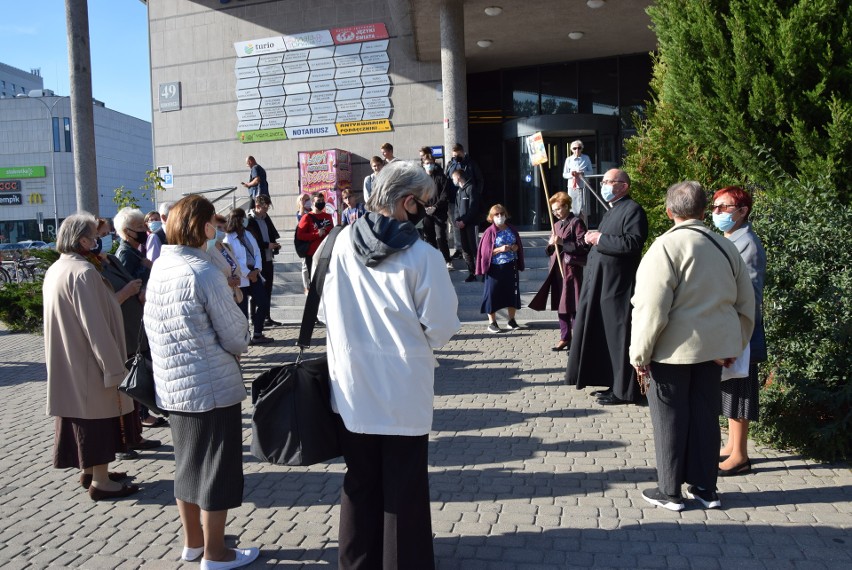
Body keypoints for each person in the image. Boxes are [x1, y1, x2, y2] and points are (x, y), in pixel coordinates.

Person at [316, 160, 460, 569]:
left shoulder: (337, 244)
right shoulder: (423, 256)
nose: (427, 212)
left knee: (359, 482)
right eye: (425, 204)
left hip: (351, 387)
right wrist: (411, 342)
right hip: (403, 388)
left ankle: (357, 562)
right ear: (408, 202)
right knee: (404, 485)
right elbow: (443, 325)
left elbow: (326, 312)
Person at [144, 195, 259, 568]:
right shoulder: (204, 273)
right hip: (209, 387)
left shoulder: (161, 268)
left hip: (173, 387)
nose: (219, 230)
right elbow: (237, 337)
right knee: (216, 472)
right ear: (205, 227)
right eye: (215, 223)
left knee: (188, 467)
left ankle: (193, 544)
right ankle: (216, 553)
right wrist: (233, 298)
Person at [630, 181, 754, 511]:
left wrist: (639, 354)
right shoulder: (726, 246)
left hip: (671, 352)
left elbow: (650, 307)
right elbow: (746, 303)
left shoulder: (664, 247)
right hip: (714, 351)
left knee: (669, 419)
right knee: (704, 418)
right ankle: (705, 488)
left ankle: (669, 491)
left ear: (669, 211)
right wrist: (734, 345)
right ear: (703, 211)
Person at [43, 212, 140, 501]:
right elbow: (95, 325)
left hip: (72, 360)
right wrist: (113, 368)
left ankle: (92, 472)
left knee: (84, 420)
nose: (99, 239)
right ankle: (101, 481)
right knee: (97, 421)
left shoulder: (59, 269)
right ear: (82, 240)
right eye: (94, 235)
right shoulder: (83, 273)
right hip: (89, 363)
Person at [565, 168, 648, 405]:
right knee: (605, 336)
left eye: (608, 182)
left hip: (618, 286)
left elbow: (632, 243)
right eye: (603, 182)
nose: (604, 185)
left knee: (619, 337)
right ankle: (613, 383)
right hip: (602, 284)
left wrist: (599, 239)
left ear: (623, 185)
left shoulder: (633, 210)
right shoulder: (613, 210)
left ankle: (624, 390)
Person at [714, 186, 766, 477]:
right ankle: (732, 445)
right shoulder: (731, 238)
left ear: (742, 211)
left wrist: (736, 334)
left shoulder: (748, 243)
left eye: (724, 207)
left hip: (740, 331)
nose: (717, 213)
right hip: (727, 328)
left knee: (740, 391)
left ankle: (741, 456)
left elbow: (751, 297)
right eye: (715, 207)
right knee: (730, 390)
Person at [529, 192, 589, 351]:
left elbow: (583, 246)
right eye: (553, 210)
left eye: (558, 209)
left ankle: (578, 338)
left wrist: (562, 242)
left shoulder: (576, 223)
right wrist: (550, 244)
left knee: (573, 303)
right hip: (556, 269)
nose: (555, 212)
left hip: (571, 269)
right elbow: (550, 251)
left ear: (567, 206)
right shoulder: (555, 225)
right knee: (561, 304)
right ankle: (565, 337)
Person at [224, 208, 271, 345]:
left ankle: (257, 333)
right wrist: (247, 273)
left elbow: (257, 252)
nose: (245, 220)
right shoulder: (228, 238)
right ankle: (245, 336)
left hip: (254, 275)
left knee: (263, 303)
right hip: (241, 278)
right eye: (243, 217)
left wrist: (256, 270)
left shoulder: (248, 234)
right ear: (237, 219)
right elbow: (232, 259)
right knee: (242, 311)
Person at [476, 204, 525, 333]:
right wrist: (499, 249)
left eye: (501, 214)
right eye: (496, 215)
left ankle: (511, 320)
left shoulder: (511, 229)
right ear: (491, 217)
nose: (499, 217)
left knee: (512, 293)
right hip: (495, 268)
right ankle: (492, 322)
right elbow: (484, 252)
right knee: (492, 294)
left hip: (511, 265)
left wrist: (515, 248)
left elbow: (518, 244)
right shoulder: (489, 232)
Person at [247, 194, 282, 327]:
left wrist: (274, 244)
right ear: (257, 206)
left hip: (267, 259)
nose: (266, 210)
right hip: (257, 261)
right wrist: (267, 245)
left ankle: (266, 317)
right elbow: (252, 242)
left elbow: (271, 234)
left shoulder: (266, 218)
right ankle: (253, 317)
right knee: (256, 290)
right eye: (265, 208)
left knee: (268, 288)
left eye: (267, 207)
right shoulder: (249, 220)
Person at [445, 143, 484, 259]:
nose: (456, 157)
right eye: (454, 155)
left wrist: (476, 194)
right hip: (453, 200)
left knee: (470, 227)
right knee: (456, 224)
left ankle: (475, 251)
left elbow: (480, 180)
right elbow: (446, 180)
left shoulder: (471, 164)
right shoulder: (451, 165)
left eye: (458, 155)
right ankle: (458, 248)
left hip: (468, 200)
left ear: (462, 152)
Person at [295, 192, 334, 284]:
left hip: (326, 252)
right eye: (318, 201)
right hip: (312, 254)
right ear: (313, 202)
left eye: (322, 200)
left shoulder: (327, 216)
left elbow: (331, 231)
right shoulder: (306, 217)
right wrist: (316, 234)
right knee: (314, 281)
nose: (320, 202)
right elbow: (300, 236)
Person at [421, 154, 452, 266]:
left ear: (434, 163)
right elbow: (417, 195)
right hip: (425, 212)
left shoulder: (441, 177)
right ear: (423, 165)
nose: (429, 165)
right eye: (427, 163)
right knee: (429, 237)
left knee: (441, 237)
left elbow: (444, 195)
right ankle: (434, 260)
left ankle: (447, 260)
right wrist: (424, 207)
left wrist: (435, 207)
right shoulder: (421, 178)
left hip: (439, 211)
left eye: (431, 163)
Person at [451, 168, 481, 282]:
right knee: (465, 249)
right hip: (462, 225)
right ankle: (472, 272)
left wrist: (465, 221)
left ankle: (482, 272)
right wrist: (457, 221)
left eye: (453, 177)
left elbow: (473, 207)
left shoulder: (471, 188)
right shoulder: (459, 191)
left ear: (458, 177)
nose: (452, 180)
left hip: (471, 224)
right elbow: (457, 209)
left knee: (474, 248)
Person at [207, 214, 244, 305]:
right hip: (219, 298)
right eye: (219, 227)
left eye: (224, 228)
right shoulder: (207, 249)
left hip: (233, 296)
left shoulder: (227, 247)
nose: (222, 231)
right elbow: (209, 275)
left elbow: (235, 267)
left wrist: (238, 278)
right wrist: (226, 282)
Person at [114, 207, 153, 283]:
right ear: (126, 231)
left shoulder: (133, 250)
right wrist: (144, 267)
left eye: (144, 226)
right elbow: (124, 283)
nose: (144, 230)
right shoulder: (125, 253)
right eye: (140, 227)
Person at [562, 140, 593, 218]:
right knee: (572, 209)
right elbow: (564, 174)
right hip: (572, 187)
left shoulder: (586, 158)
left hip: (584, 186)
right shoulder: (568, 159)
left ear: (582, 149)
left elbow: (591, 172)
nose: (577, 150)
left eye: (579, 148)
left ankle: (583, 228)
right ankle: (574, 228)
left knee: (584, 209)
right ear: (571, 149)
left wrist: (583, 173)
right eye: (574, 148)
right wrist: (572, 174)